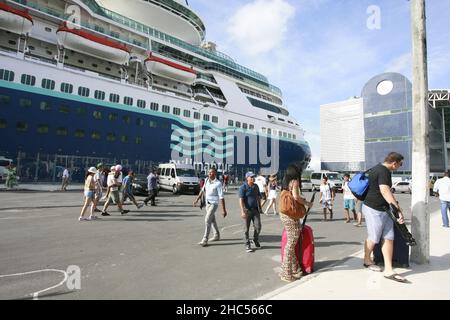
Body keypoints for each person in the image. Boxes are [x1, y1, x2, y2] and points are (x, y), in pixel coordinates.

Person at [362, 152, 408, 283]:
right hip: (373, 209)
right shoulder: (384, 171)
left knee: (389, 237)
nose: (399, 167)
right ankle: (367, 259)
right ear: (394, 163)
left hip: (384, 209)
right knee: (374, 237)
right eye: (400, 164)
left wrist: (394, 206)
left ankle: (389, 269)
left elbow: (384, 192)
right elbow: (384, 191)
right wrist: (398, 210)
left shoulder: (377, 168)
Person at [279, 164, 313, 282]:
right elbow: (296, 197)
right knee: (291, 245)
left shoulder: (285, 180)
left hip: (284, 213)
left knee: (291, 243)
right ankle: (286, 273)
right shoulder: (294, 182)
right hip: (291, 216)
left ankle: (295, 268)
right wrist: (307, 203)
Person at [193, 168, 227, 247]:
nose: (209, 173)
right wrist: (197, 200)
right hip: (207, 204)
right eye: (209, 172)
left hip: (214, 204)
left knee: (207, 219)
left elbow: (221, 197)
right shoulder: (206, 180)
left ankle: (205, 239)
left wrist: (224, 210)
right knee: (212, 220)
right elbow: (202, 190)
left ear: (215, 174)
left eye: (211, 172)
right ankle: (216, 235)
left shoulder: (218, 183)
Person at [239, 172, 262, 252]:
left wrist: (260, 207)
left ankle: (255, 240)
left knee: (258, 227)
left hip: (255, 210)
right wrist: (242, 211)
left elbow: (258, 197)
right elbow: (241, 200)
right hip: (247, 211)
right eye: (251, 177)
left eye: (253, 177)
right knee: (246, 229)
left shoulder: (256, 186)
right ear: (247, 178)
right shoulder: (243, 187)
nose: (253, 178)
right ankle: (247, 244)